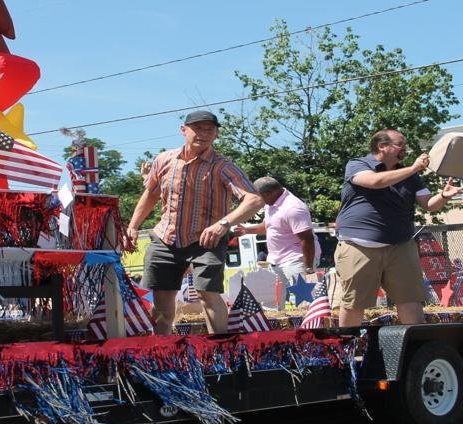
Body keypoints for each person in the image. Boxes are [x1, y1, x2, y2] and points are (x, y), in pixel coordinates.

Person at [122, 110, 265, 335]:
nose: (203, 133)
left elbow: (254, 199)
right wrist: (133, 226)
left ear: (216, 134)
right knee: (161, 301)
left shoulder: (222, 165)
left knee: (207, 293)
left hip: (205, 240)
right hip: (165, 238)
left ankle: (221, 353)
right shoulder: (163, 160)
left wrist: (223, 224)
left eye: (209, 129)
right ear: (184, 130)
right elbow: (150, 194)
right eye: (198, 128)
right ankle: (163, 354)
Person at [333, 129, 463, 327]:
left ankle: (414, 347)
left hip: (401, 246)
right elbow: (375, 182)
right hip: (359, 246)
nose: (405, 149)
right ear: (382, 146)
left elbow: (429, 204)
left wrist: (444, 196)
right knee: (355, 303)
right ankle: (347, 349)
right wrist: (413, 168)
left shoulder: (410, 176)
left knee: (410, 299)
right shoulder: (358, 164)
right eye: (400, 144)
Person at [237, 176, 319, 284]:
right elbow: (268, 225)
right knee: (279, 300)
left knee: (304, 300)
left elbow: (307, 239)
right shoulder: (271, 204)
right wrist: (246, 230)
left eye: (258, 196)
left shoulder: (293, 208)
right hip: (276, 262)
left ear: (269, 193)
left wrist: (308, 269)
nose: (256, 200)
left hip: (296, 262)